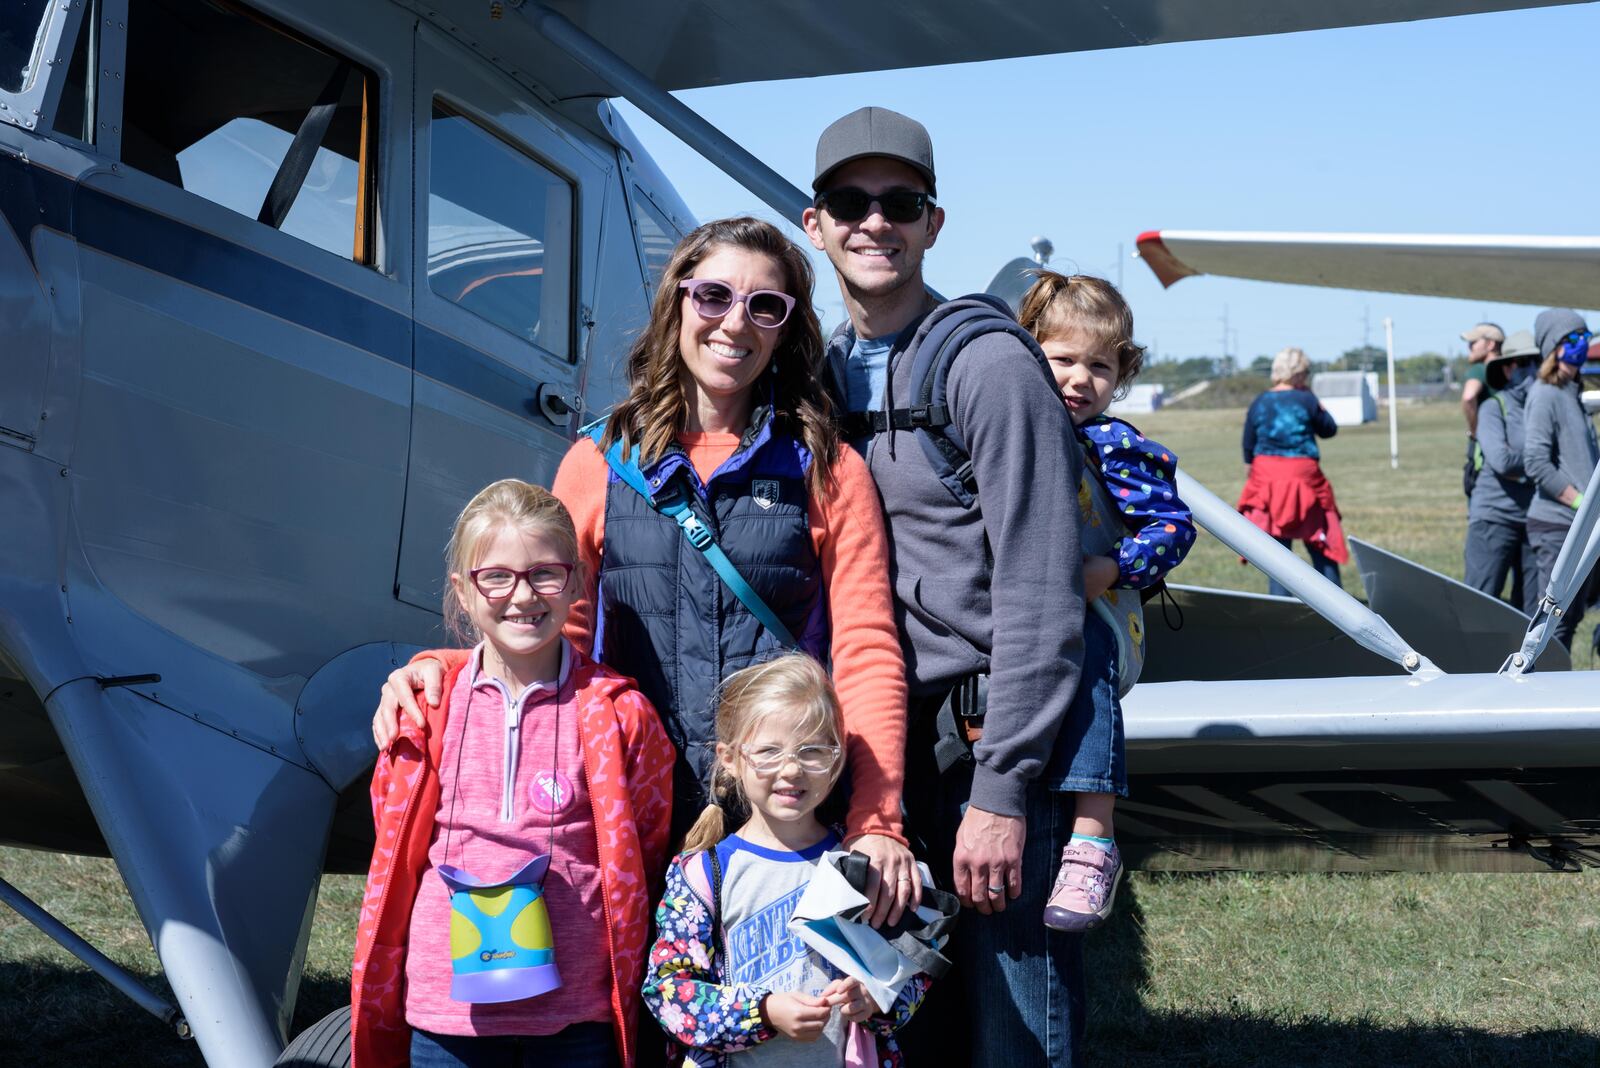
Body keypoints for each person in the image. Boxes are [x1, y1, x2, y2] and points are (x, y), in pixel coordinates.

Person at [372, 217, 921, 927]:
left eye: (765, 306)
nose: (735, 323)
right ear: (678, 304)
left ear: (787, 328)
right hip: (630, 806)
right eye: (714, 296)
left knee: (784, 1026)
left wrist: (877, 820)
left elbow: (866, 652)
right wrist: (445, 669)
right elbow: (545, 632)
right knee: (639, 1022)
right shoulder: (599, 461)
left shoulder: (827, 468)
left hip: (783, 815)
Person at [801, 106, 1089, 1066]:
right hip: (888, 742)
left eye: (899, 202)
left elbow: (1045, 591)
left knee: (1012, 1032)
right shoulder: (823, 373)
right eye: (850, 201)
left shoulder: (990, 365)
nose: (873, 222)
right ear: (817, 224)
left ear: (933, 223)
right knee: (896, 1026)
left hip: (989, 738)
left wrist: (1003, 794)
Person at [350, 480, 676, 1068]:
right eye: (495, 576)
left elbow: (645, 849)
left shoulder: (621, 716)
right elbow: (392, 834)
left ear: (576, 581)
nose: (522, 595)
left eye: (545, 574)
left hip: (576, 1016)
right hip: (448, 1015)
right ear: (463, 593)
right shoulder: (424, 710)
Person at [1015, 271, 1197, 932]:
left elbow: (1174, 530)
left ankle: (1093, 839)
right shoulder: (1004, 431)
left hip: (1098, 616)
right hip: (1019, 611)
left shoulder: (1116, 447)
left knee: (1083, 656)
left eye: (1099, 365)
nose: (1079, 378)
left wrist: (1111, 567)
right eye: (1061, 359)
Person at [642, 654, 929, 1065]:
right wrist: (763, 1012)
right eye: (769, 752)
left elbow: (913, 974)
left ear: (837, 757)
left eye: (812, 751)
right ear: (730, 759)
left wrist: (876, 999)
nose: (792, 769)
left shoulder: (861, 868)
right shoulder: (702, 873)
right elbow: (669, 991)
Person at [1237, 347, 1347, 595]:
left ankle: (1280, 606)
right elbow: (1329, 429)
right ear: (1298, 374)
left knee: (1278, 554)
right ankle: (1336, 600)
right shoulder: (1306, 399)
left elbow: (1248, 444)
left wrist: (1253, 475)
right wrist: (1314, 400)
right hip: (1304, 479)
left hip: (1267, 478)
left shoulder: (1260, 401)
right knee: (1321, 543)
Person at [1522, 308, 1597, 651]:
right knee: (1553, 627)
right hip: (1557, 528)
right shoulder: (1544, 394)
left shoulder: (1571, 394)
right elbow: (1536, 462)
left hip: (1580, 528)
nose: (1583, 344)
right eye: (1574, 339)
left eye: (1586, 337)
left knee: (1575, 616)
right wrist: (1581, 503)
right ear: (1554, 346)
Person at [1465, 330, 1540, 615]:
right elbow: (1502, 461)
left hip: (1534, 522)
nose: (1531, 371)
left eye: (1535, 362)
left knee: (1532, 610)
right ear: (1507, 369)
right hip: (1494, 518)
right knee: (1480, 603)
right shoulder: (1492, 408)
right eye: (1523, 363)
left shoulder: (1542, 409)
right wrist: (1540, 464)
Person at [1459, 322, 1505, 436]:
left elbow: (1468, 397)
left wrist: (1474, 431)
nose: (1469, 346)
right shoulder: (1510, 370)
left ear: (1490, 344)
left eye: (1474, 342)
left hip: (1487, 438)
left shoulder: (1479, 370)